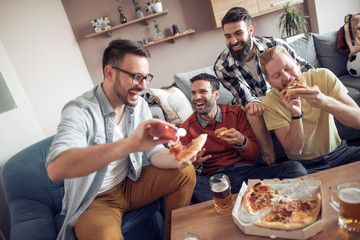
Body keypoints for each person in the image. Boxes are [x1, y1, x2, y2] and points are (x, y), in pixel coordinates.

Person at [45, 39, 196, 240]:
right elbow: (56, 168)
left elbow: (152, 152)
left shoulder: (138, 104)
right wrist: (130, 144)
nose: (143, 86)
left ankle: (173, 236)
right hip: (94, 201)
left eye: (146, 77)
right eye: (136, 77)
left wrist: (176, 159)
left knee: (185, 171)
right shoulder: (80, 110)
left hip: (129, 184)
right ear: (110, 73)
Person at [180, 73, 308, 203]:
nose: (196, 97)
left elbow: (254, 155)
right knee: (191, 186)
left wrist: (242, 141)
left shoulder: (235, 113)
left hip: (248, 173)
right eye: (193, 93)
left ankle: (249, 201)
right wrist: (195, 166)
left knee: (295, 169)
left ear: (216, 94)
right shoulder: (186, 128)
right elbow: (186, 171)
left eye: (202, 91)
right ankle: (255, 200)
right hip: (217, 180)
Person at [213, 7, 314, 165]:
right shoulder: (221, 66)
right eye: (228, 36)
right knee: (253, 112)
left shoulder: (274, 44)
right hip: (254, 103)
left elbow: (303, 67)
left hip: (280, 92)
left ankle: (314, 153)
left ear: (250, 30)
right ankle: (270, 164)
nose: (233, 41)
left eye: (238, 33)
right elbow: (245, 95)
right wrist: (254, 103)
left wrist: (316, 83)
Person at [259, 45, 360, 174]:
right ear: (270, 83)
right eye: (277, 75)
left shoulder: (323, 76)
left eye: (288, 68)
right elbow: (294, 150)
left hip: (340, 152)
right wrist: (296, 114)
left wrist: (324, 101)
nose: (286, 77)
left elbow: (358, 120)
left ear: (297, 64)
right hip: (306, 165)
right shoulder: (270, 102)